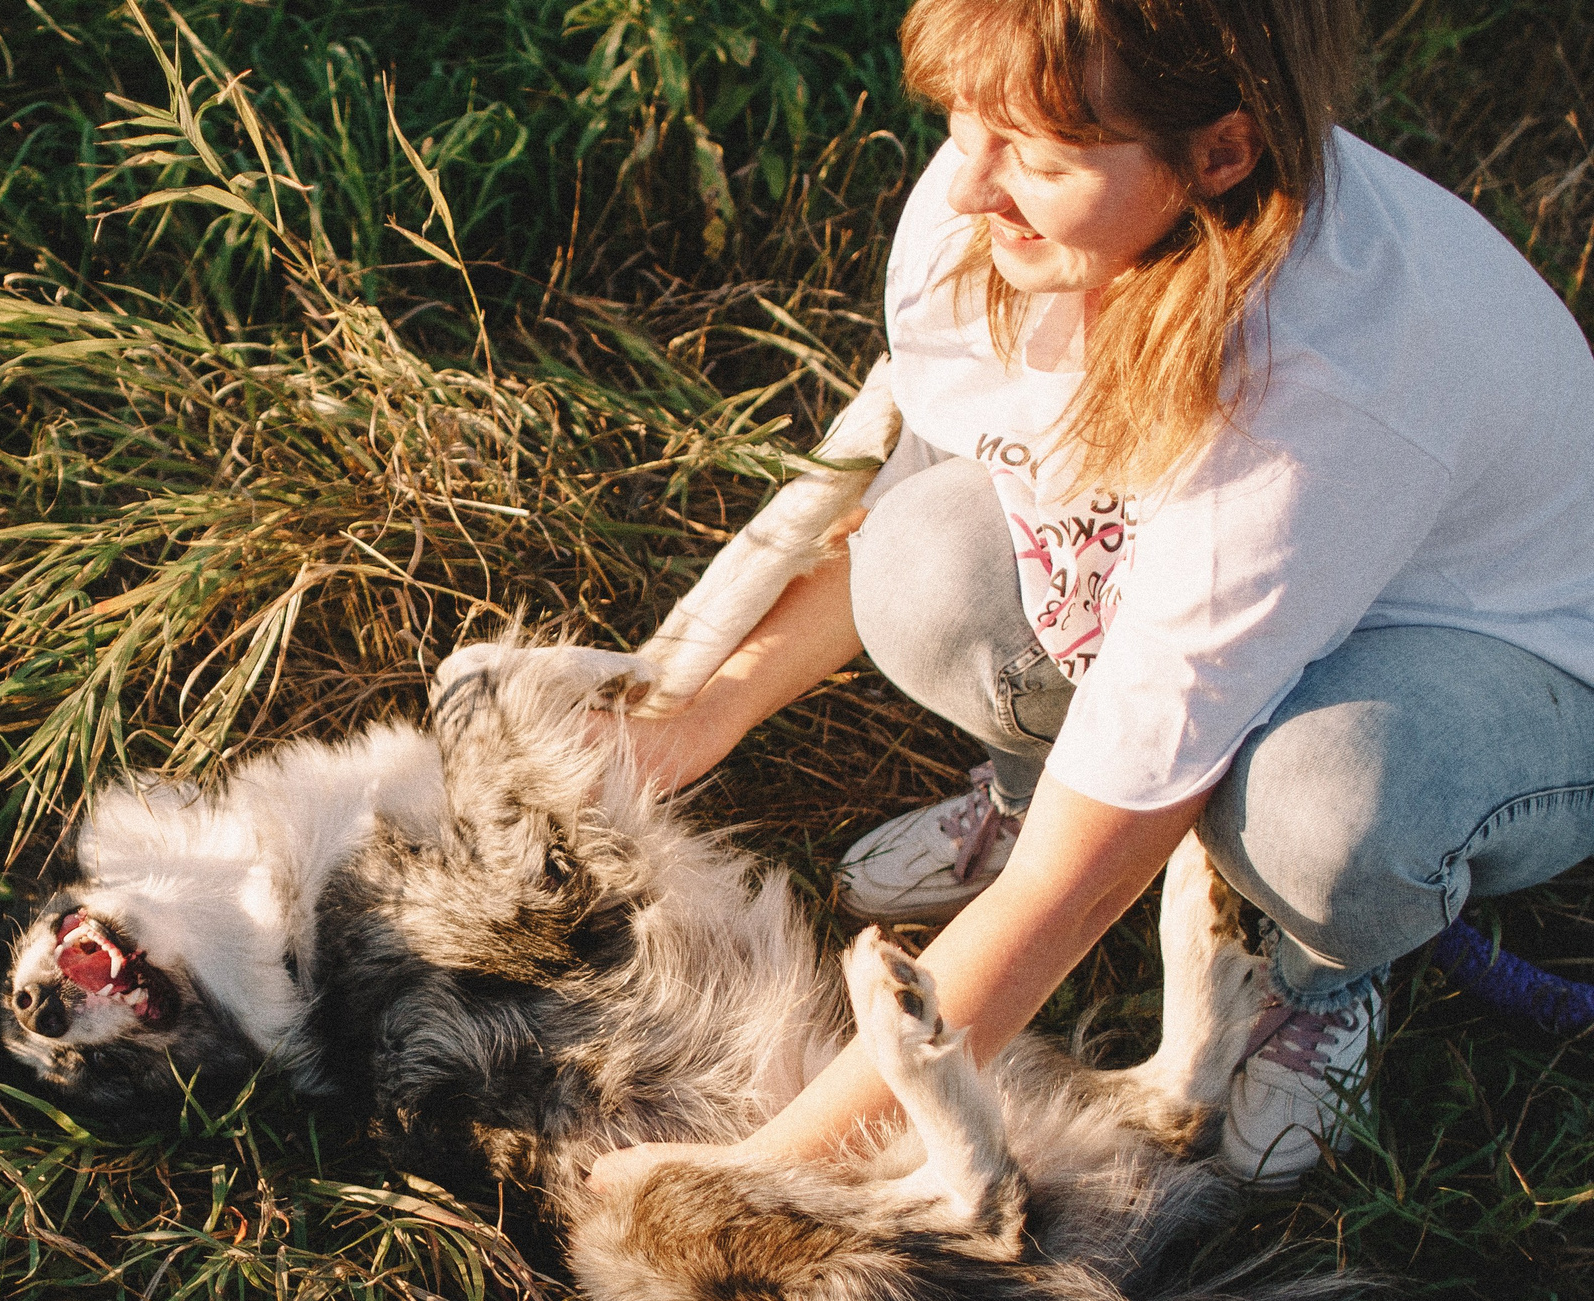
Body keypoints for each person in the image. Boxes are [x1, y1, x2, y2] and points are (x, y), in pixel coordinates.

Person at [589, 0, 1594, 1190]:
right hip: (1249, 572)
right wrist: (697, 716)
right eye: (962, 121)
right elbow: (908, 477)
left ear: (1220, 151)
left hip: (1489, 657)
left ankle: (1326, 965)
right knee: (921, 560)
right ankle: (1027, 787)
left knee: (1322, 812)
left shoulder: (1316, 400)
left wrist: (753, 1171)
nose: (967, 186)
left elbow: (1073, 891)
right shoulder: (1003, 209)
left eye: (1043, 157)